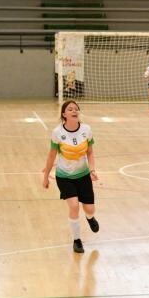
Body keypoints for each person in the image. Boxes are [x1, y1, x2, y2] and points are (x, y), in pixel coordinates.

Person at [42, 100, 100, 253]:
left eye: (76, 109)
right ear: (64, 114)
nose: (74, 111)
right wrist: (46, 176)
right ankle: (77, 240)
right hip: (64, 176)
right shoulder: (57, 133)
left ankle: (90, 218)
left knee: (89, 209)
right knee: (74, 206)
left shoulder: (86, 130)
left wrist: (92, 170)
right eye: (70, 109)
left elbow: (90, 152)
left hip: (83, 175)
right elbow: (51, 155)